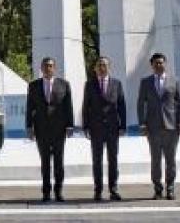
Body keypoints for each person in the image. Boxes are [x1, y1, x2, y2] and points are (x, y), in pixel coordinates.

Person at [25, 56, 74, 202]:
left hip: (59, 130)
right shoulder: (33, 85)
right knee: (45, 162)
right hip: (41, 129)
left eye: (51, 66)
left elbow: (68, 107)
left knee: (59, 162)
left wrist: (70, 125)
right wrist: (29, 127)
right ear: (41, 68)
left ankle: (58, 191)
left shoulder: (64, 84)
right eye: (45, 66)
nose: (48, 68)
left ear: (55, 68)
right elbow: (29, 108)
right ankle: (46, 192)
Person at [137, 52, 180, 200]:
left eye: (161, 62)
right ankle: (157, 189)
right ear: (152, 65)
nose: (159, 65)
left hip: (171, 128)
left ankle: (170, 188)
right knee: (155, 160)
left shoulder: (174, 81)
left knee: (171, 160)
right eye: (156, 63)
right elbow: (140, 104)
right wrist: (142, 123)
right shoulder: (145, 82)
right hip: (153, 127)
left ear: (165, 64)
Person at [82, 56, 126, 201]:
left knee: (113, 160)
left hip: (113, 128)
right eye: (99, 65)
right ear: (95, 68)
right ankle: (98, 190)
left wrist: (123, 125)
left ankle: (113, 189)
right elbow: (85, 107)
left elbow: (121, 106)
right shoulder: (89, 84)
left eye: (104, 65)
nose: (102, 67)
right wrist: (85, 126)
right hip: (96, 128)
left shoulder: (117, 84)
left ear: (109, 67)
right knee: (97, 161)